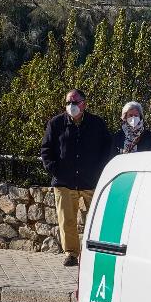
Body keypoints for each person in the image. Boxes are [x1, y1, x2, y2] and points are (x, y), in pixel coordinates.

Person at [40, 89, 111, 266]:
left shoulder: (97, 124)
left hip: (91, 182)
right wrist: (54, 169)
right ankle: (71, 254)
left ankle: (91, 253)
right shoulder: (56, 124)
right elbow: (46, 149)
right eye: (68, 102)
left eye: (75, 102)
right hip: (64, 182)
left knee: (94, 219)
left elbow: (107, 148)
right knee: (67, 220)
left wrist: (100, 171)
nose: (71, 106)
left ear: (84, 103)